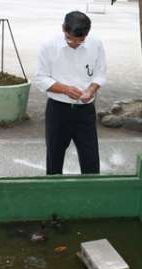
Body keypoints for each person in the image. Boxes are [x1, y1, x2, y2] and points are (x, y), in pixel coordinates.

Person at [34, 11, 106, 174]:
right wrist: (65, 89)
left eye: (80, 41)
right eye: (69, 39)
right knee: (54, 156)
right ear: (63, 29)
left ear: (87, 34)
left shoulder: (96, 44)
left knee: (91, 157)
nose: (74, 43)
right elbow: (40, 78)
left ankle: (92, 194)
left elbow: (100, 74)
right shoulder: (48, 45)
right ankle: (53, 191)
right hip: (58, 110)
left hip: (85, 110)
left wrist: (91, 89)